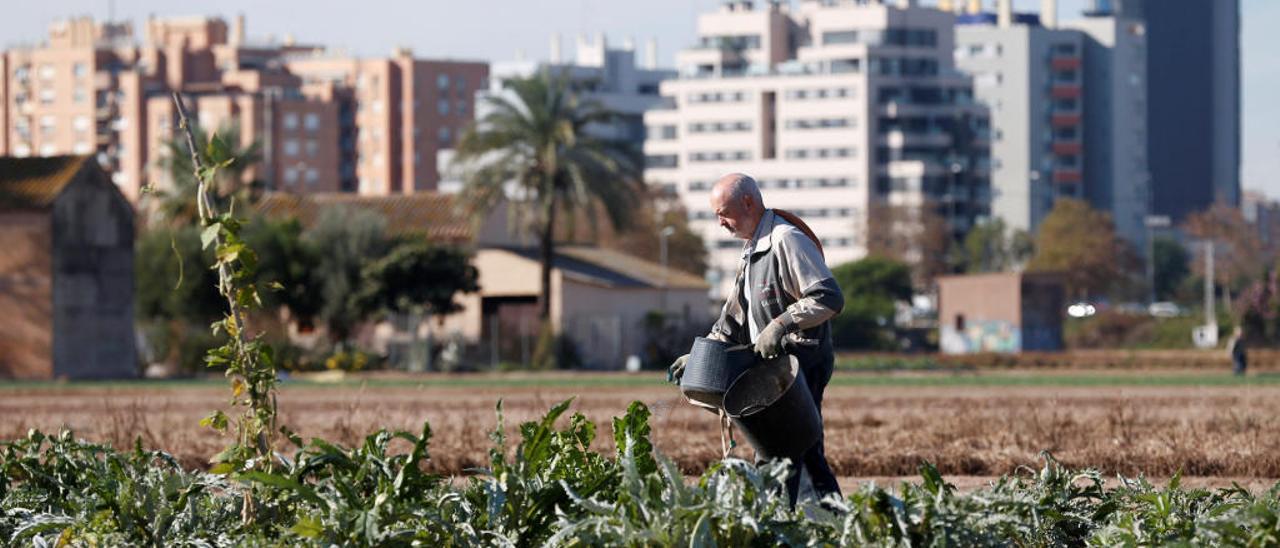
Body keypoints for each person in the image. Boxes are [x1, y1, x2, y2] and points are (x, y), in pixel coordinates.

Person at [669, 173, 844, 506]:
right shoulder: (752, 249)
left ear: (748, 202)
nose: (720, 223)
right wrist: (702, 356)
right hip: (771, 373)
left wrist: (780, 325)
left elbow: (829, 298)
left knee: (786, 452)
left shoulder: (785, 239)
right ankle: (818, 525)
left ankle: (796, 526)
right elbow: (732, 318)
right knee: (794, 452)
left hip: (799, 367)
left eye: (724, 213)